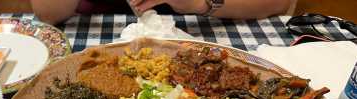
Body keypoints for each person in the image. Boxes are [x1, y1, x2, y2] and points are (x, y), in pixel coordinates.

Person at [30, 0, 293, 25]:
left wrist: (201, 4)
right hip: (92, 34)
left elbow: (277, 3)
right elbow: (47, 12)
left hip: (199, 29)